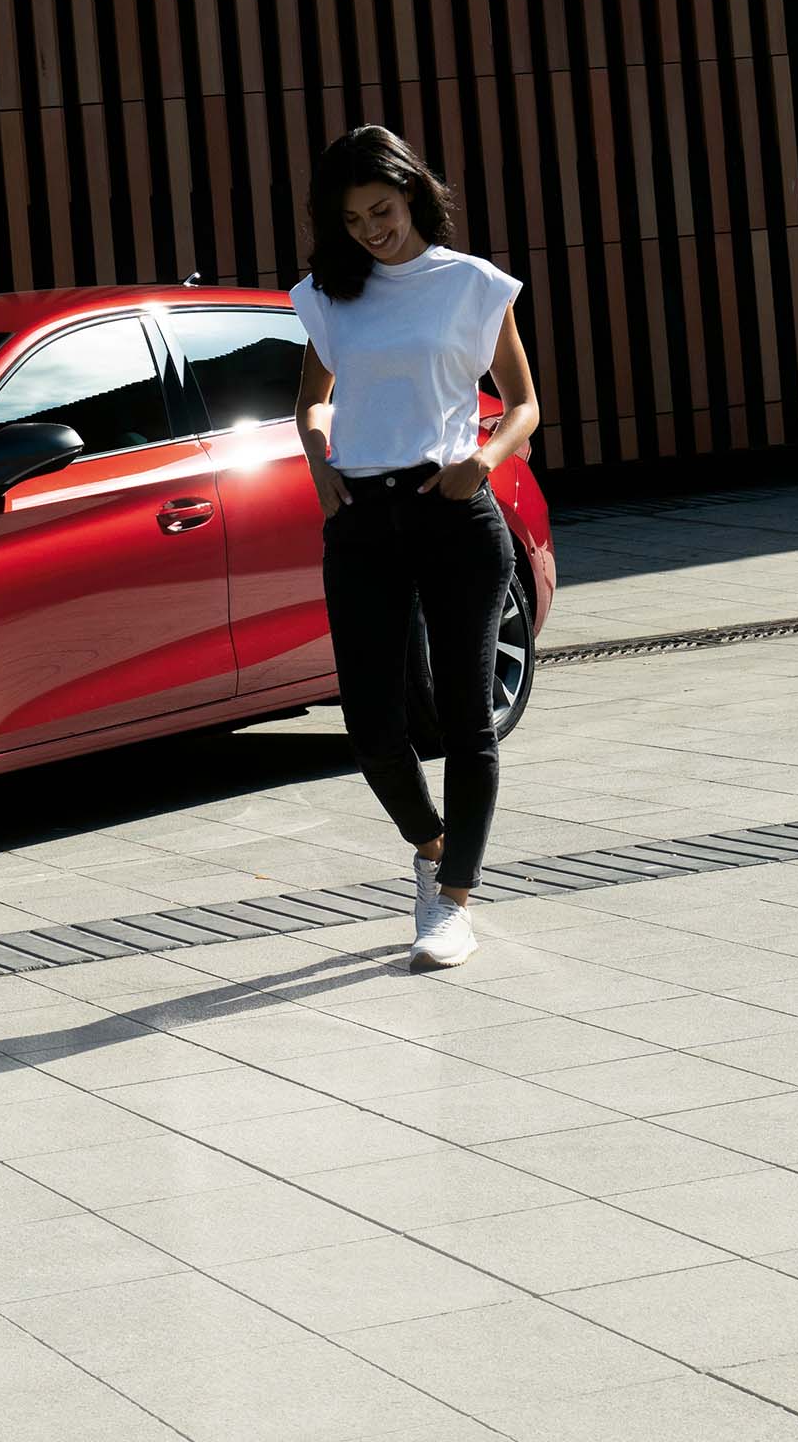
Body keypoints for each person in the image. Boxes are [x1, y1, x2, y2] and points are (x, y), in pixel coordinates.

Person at [289, 126, 542, 970]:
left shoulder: (471, 285)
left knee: (469, 722)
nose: (372, 229)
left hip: (453, 513)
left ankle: (455, 900)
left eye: (384, 210)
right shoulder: (329, 295)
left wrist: (487, 459)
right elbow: (314, 401)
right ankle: (431, 854)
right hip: (362, 519)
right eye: (354, 217)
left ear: (413, 195)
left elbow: (523, 406)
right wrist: (319, 460)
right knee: (370, 726)